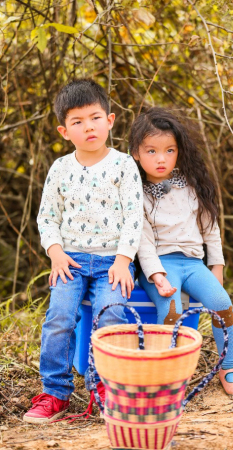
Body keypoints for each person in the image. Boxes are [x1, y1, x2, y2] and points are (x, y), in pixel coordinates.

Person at [23, 79, 143, 423]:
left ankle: (106, 388)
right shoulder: (60, 169)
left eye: (94, 117)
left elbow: (134, 217)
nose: (88, 127)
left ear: (110, 120)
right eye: (77, 121)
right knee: (59, 317)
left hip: (112, 262)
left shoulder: (123, 166)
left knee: (112, 314)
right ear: (64, 130)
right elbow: (47, 217)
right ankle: (54, 393)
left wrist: (124, 260)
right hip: (70, 262)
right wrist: (55, 252)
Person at [129, 107, 233, 398]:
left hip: (194, 263)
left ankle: (228, 365)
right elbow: (142, 241)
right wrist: (157, 275)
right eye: (152, 151)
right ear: (136, 153)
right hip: (159, 265)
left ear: (179, 151)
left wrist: (216, 267)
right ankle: (166, 373)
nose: (161, 159)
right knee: (172, 309)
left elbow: (211, 229)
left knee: (222, 303)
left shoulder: (192, 185)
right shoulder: (135, 192)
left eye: (169, 150)